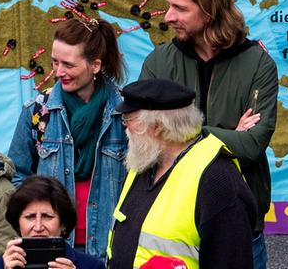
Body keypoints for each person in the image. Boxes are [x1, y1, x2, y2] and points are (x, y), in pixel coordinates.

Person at [136, 0, 277, 269]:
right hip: (170, 229)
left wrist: (177, 132)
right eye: (169, 5)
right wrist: (229, 135)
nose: (168, 16)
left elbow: (252, 145)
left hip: (239, 228)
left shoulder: (258, 65)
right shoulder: (159, 62)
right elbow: (144, 135)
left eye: (179, 8)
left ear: (210, 10)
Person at [101, 78, 255, 269]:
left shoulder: (218, 178)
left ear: (157, 126)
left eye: (129, 119)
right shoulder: (145, 161)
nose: (125, 127)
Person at [6, 15, 126, 257]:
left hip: (111, 247)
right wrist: (35, 226)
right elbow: (17, 177)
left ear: (95, 65)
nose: (59, 72)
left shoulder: (124, 114)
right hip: (53, 248)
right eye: (54, 63)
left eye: (68, 65)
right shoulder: (38, 112)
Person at [0, 178, 107, 269]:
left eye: (47, 216)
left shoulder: (93, 266)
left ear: (63, 223)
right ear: (18, 223)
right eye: (30, 217)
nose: (38, 227)